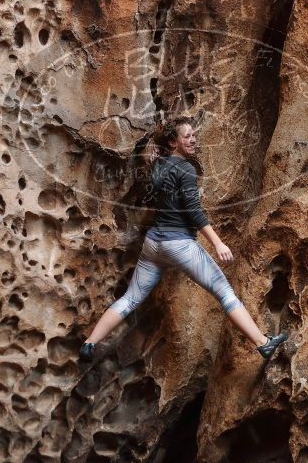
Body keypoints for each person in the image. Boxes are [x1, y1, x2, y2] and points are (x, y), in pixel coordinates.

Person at [79, 116, 288, 361]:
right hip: (178, 244)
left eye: (194, 135)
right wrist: (217, 243)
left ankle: (89, 343)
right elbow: (193, 209)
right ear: (172, 141)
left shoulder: (159, 165)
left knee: (131, 298)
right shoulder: (185, 168)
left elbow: (149, 198)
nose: (193, 139)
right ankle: (263, 342)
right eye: (187, 136)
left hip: (153, 244)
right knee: (224, 292)